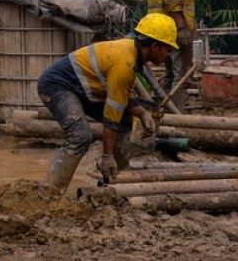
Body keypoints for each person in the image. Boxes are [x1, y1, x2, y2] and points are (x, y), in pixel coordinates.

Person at [36, 12, 178, 192]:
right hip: (57, 85)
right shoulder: (124, 64)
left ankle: (116, 182)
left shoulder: (132, 53)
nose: (168, 55)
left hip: (82, 87)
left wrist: (141, 113)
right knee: (80, 136)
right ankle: (50, 193)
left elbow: (121, 97)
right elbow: (112, 116)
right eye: (168, 50)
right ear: (156, 46)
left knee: (125, 119)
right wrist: (107, 155)